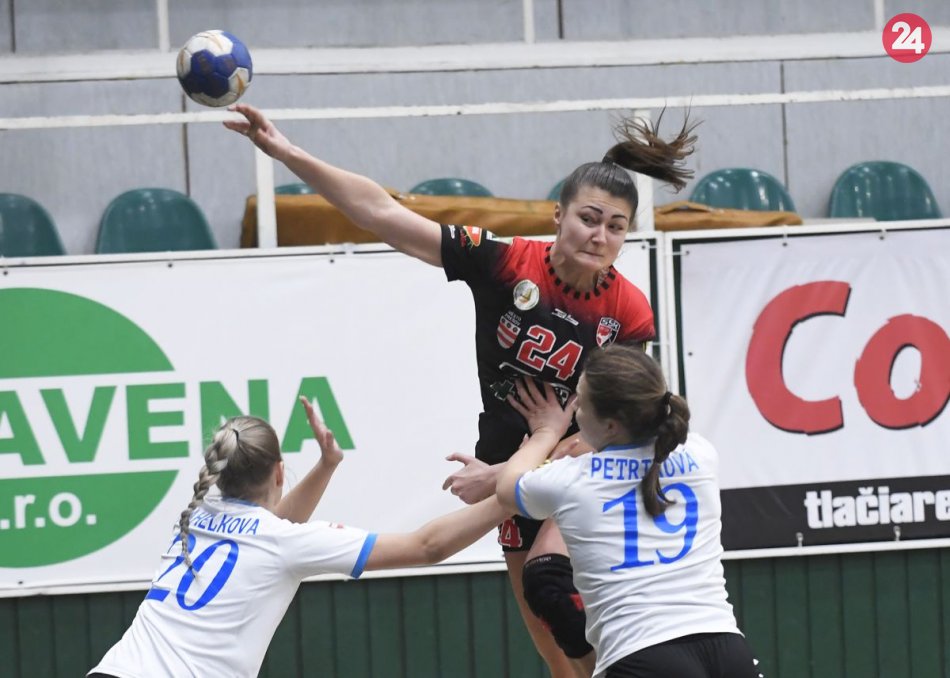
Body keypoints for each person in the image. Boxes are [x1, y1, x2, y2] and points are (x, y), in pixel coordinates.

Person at [225, 103, 697, 676]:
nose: (600, 236)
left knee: (560, 594)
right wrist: (286, 153)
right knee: (562, 661)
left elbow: (624, 426)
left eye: (615, 227)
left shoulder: (627, 311)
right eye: (589, 218)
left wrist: (506, 472)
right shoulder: (506, 264)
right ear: (558, 215)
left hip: (579, 468)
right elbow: (380, 212)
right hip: (512, 475)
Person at [88, 397, 509, 678]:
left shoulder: (196, 515)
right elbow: (427, 546)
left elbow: (269, 529)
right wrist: (514, 495)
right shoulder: (281, 542)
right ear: (278, 472)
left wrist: (327, 465)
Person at [496, 343, 760, 678]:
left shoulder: (570, 481)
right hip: (727, 650)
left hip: (643, 656)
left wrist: (545, 433)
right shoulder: (701, 453)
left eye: (581, 403)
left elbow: (507, 487)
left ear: (611, 425)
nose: (575, 411)